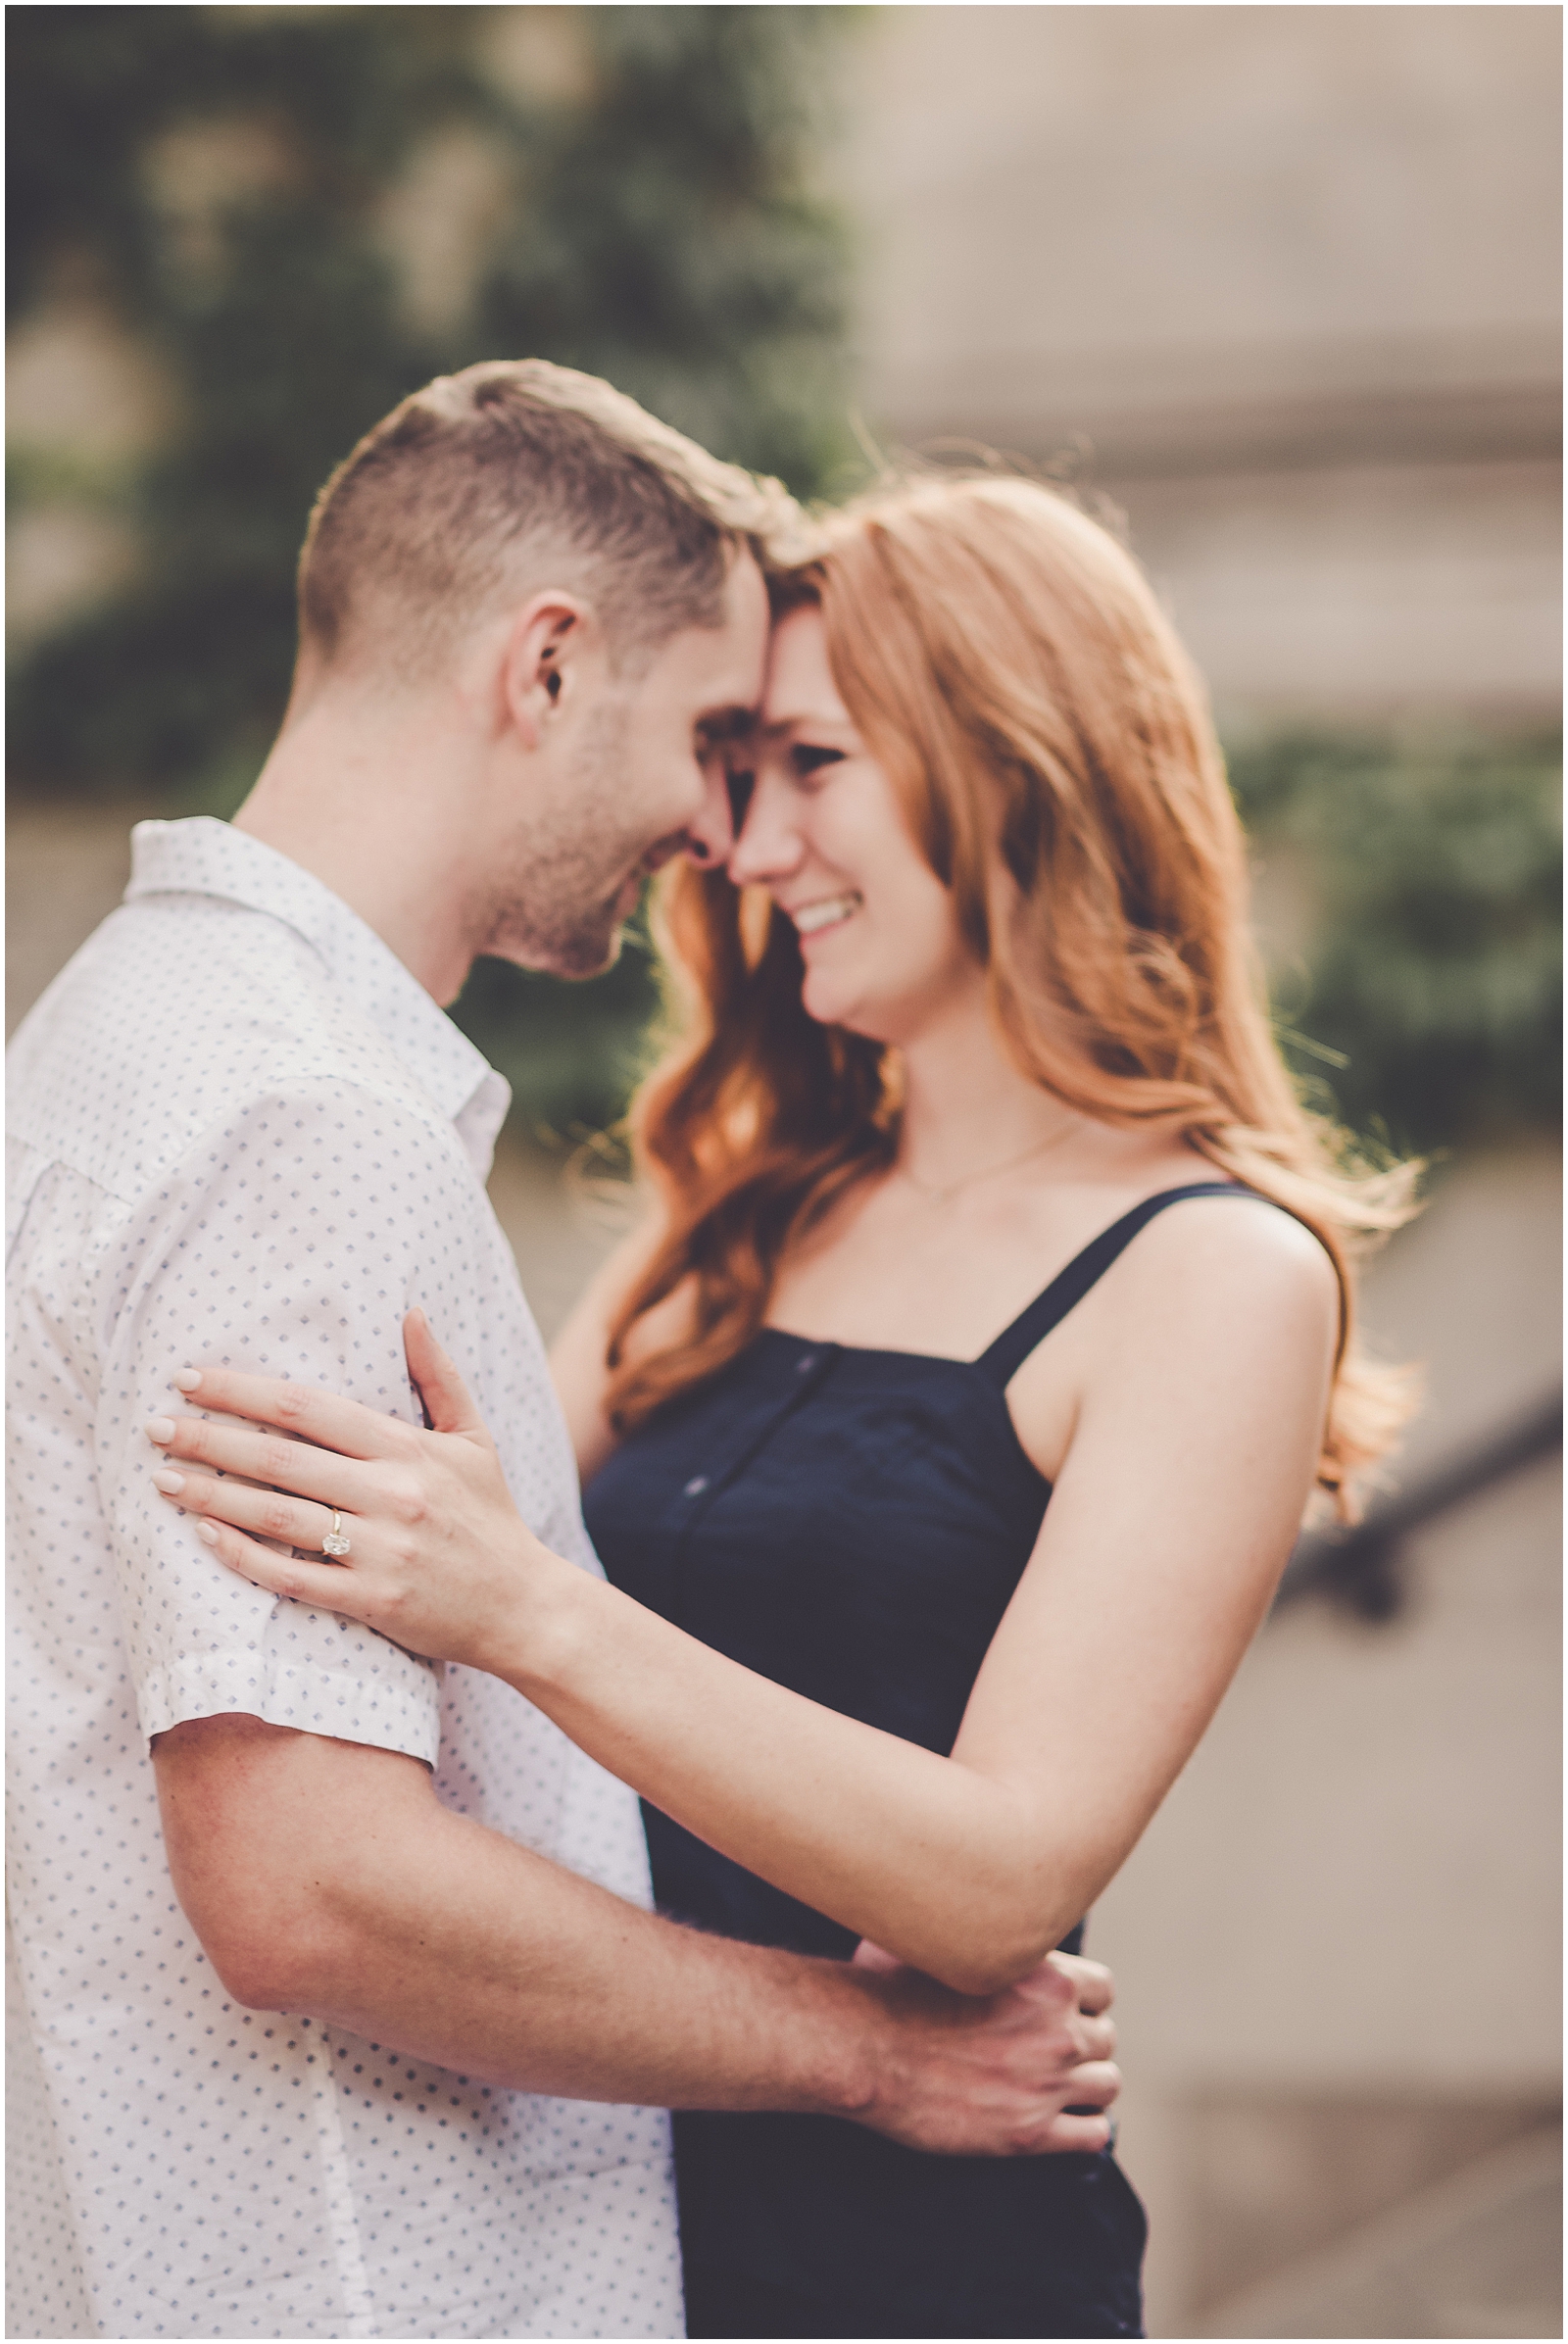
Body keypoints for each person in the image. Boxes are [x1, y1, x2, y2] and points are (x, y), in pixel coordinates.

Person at [145, 473, 1421, 2338]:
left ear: (1016, 764)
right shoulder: (737, 1208)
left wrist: (527, 1607)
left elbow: (995, 1881)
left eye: (809, 763)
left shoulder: (1216, 1274)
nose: (741, 844)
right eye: (732, 771)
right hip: (595, 2223)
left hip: (915, 2263)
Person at [6, 376, 1127, 2344]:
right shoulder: (306, 1121)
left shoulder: (101, 1050)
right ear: (542, 665)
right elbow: (308, 1886)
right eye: (708, 738)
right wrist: (871, 2051)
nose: (715, 829)